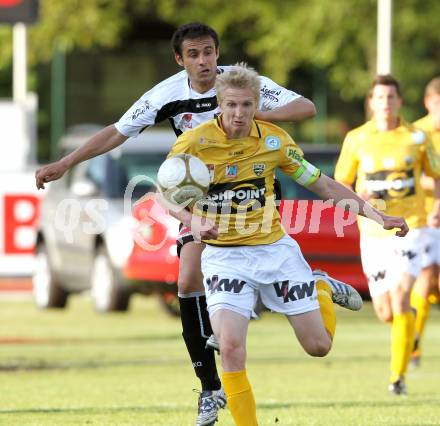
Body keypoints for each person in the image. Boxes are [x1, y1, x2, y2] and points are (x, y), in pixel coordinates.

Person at [34, 22, 316, 426]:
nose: (204, 62)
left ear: (218, 53)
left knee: (255, 279)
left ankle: (303, 290)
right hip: (201, 199)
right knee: (186, 280)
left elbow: (307, 107)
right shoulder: (165, 95)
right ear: (179, 60)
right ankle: (209, 387)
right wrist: (65, 164)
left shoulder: (239, 87)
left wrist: (258, 113)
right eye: (194, 55)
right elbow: (117, 132)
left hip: (251, 196)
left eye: (209, 53)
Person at [165, 63, 408, 425]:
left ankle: (320, 284)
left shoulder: (274, 140)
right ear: (219, 103)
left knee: (318, 347)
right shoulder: (195, 142)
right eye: (231, 105)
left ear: (256, 104)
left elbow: (323, 184)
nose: (239, 113)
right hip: (224, 259)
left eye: (247, 105)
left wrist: (377, 215)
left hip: (274, 253)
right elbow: (165, 196)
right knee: (230, 347)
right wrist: (192, 220)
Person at [335, 74, 440, 395]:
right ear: (371, 102)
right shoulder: (356, 138)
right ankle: (409, 334)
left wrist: (436, 205)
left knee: (402, 296)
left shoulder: (417, 137)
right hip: (372, 230)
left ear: (400, 102)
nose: (385, 103)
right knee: (384, 310)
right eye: (379, 98)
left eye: (391, 97)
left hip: (412, 226)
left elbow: (435, 177)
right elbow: (340, 184)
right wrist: (358, 197)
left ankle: (398, 377)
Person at [410, 76, 440, 367]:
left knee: (431, 283)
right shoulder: (416, 134)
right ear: (429, 103)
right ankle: (414, 344)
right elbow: (412, 177)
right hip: (428, 217)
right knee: (427, 275)